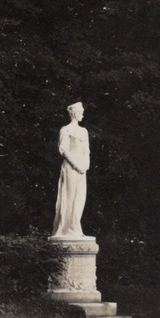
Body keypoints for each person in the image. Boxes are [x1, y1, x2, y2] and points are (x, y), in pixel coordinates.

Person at [51, 101, 90, 239]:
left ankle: (75, 226)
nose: (83, 115)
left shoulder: (83, 131)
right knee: (70, 196)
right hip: (70, 168)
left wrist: (85, 166)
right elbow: (64, 150)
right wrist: (76, 165)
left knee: (80, 197)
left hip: (81, 169)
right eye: (81, 112)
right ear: (74, 114)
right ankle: (67, 228)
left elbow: (87, 151)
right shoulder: (66, 130)